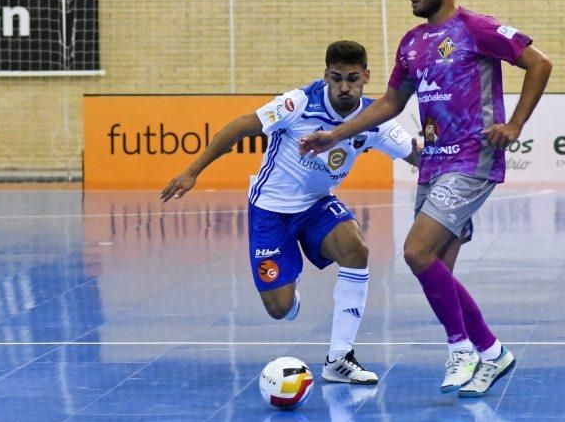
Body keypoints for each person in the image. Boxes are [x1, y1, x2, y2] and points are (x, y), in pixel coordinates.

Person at [300, 0, 552, 396]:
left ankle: (462, 349)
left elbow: (539, 64)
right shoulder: (411, 43)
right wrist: (336, 134)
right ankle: (493, 354)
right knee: (436, 267)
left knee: (416, 252)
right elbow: (389, 103)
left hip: (472, 158)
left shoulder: (478, 28)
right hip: (433, 162)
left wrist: (514, 125)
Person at [160, 40, 419, 384]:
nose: (344, 87)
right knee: (279, 309)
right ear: (326, 75)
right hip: (271, 210)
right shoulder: (298, 103)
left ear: (366, 77)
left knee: (357, 250)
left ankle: (340, 357)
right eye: (337, 78)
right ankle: (288, 284)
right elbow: (240, 126)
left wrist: (461, 166)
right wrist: (193, 171)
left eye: (353, 79)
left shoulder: (374, 120)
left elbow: (416, 156)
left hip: (316, 204)